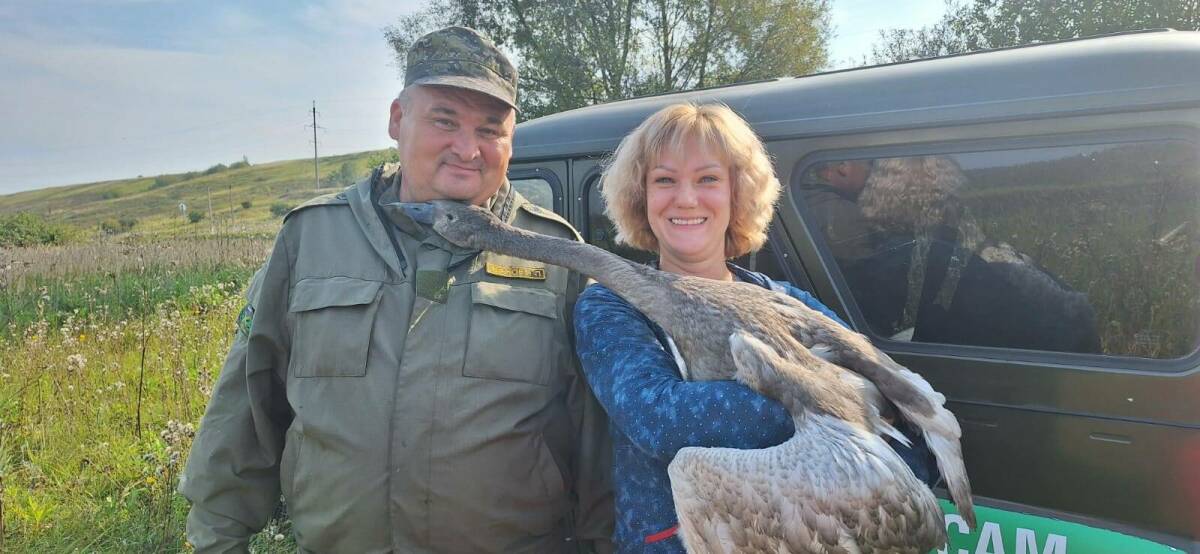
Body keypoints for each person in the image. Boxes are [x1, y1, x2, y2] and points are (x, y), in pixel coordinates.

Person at [180, 27, 614, 553]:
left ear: (511, 140)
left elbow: (598, 444)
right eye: (444, 120)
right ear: (396, 118)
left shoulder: (552, 252)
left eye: (490, 129)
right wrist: (217, 537)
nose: (467, 148)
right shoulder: (312, 238)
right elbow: (247, 406)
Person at [571, 103, 937, 553]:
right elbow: (661, 420)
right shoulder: (611, 304)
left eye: (708, 179)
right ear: (640, 197)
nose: (686, 198)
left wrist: (854, 411)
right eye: (664, 180)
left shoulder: (786, 301)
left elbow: (903, 419)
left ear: (737, 194)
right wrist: (828, 402)